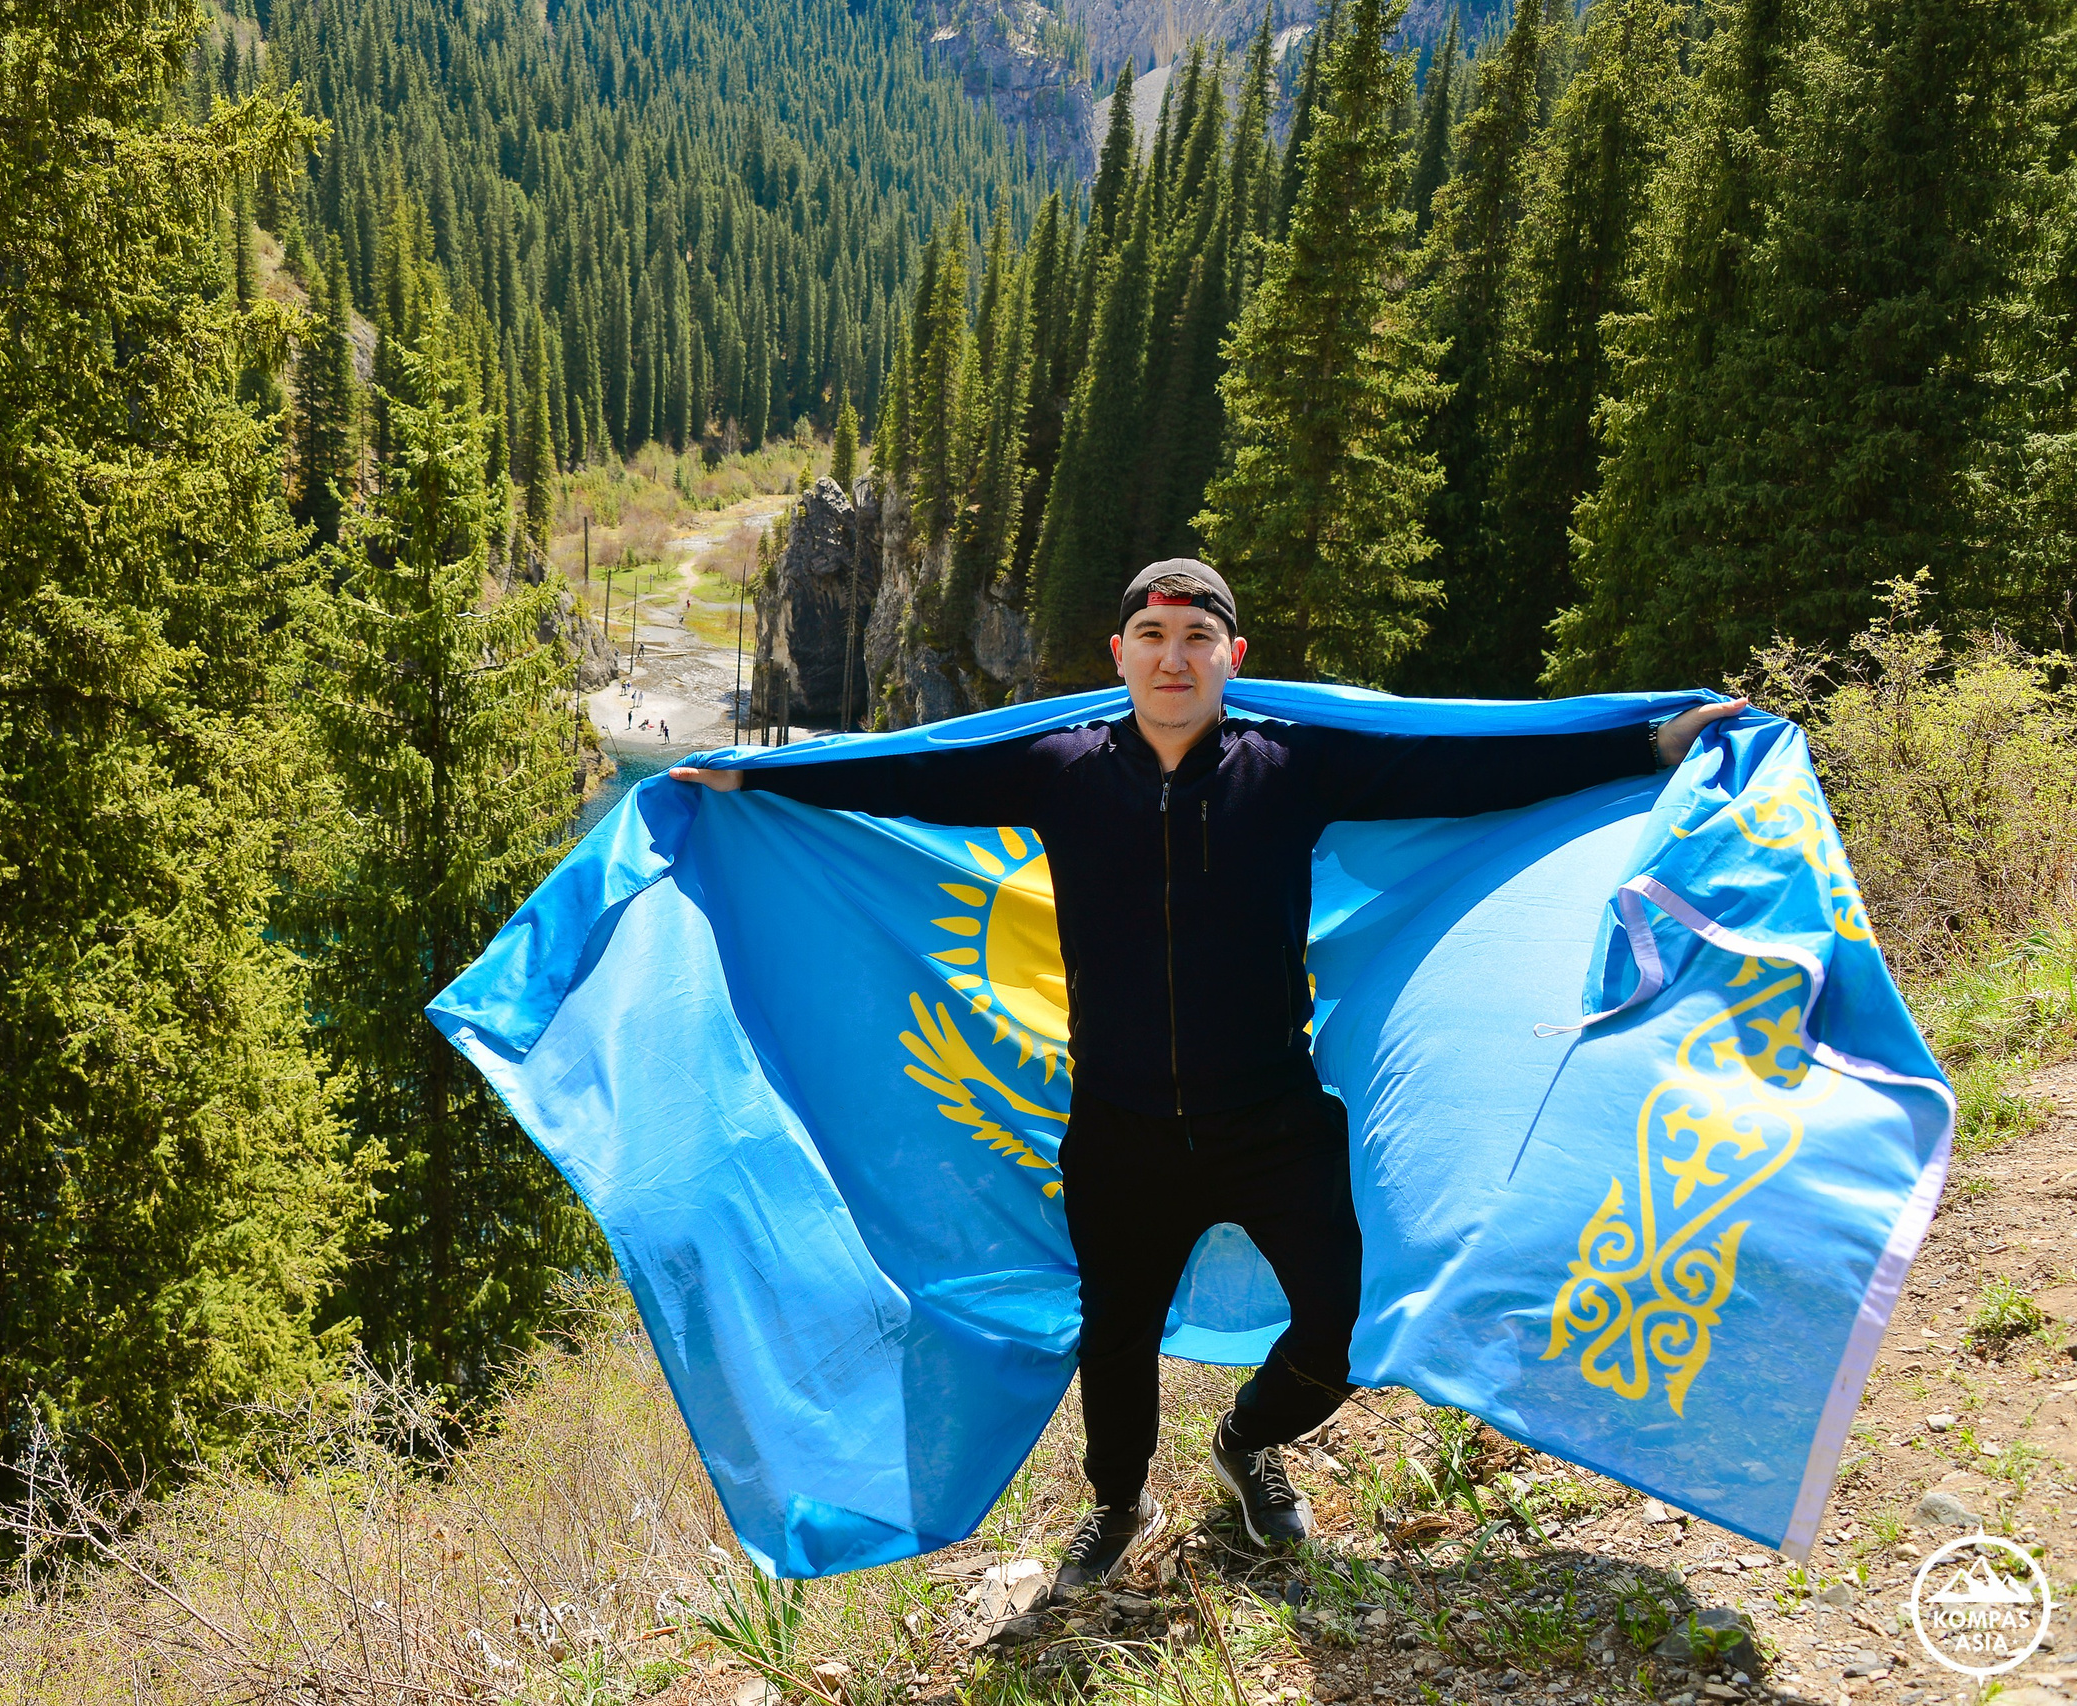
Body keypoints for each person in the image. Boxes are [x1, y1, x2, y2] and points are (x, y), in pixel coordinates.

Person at [672, 559, 1742, 1587]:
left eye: (1194, 638)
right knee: (1117, 1337)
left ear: (1232, 655)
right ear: (1119, 654)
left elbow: (1465, 768)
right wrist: (756, 777)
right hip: (1122, 1127)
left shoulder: (1293, 766)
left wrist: (1650, 745)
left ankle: (1247, 1439)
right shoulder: (1062, 769)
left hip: (1274, 1117)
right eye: (1151, 636)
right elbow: (914, 771)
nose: (1171, 657)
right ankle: (1116, 1502)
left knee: (1342, 1320)